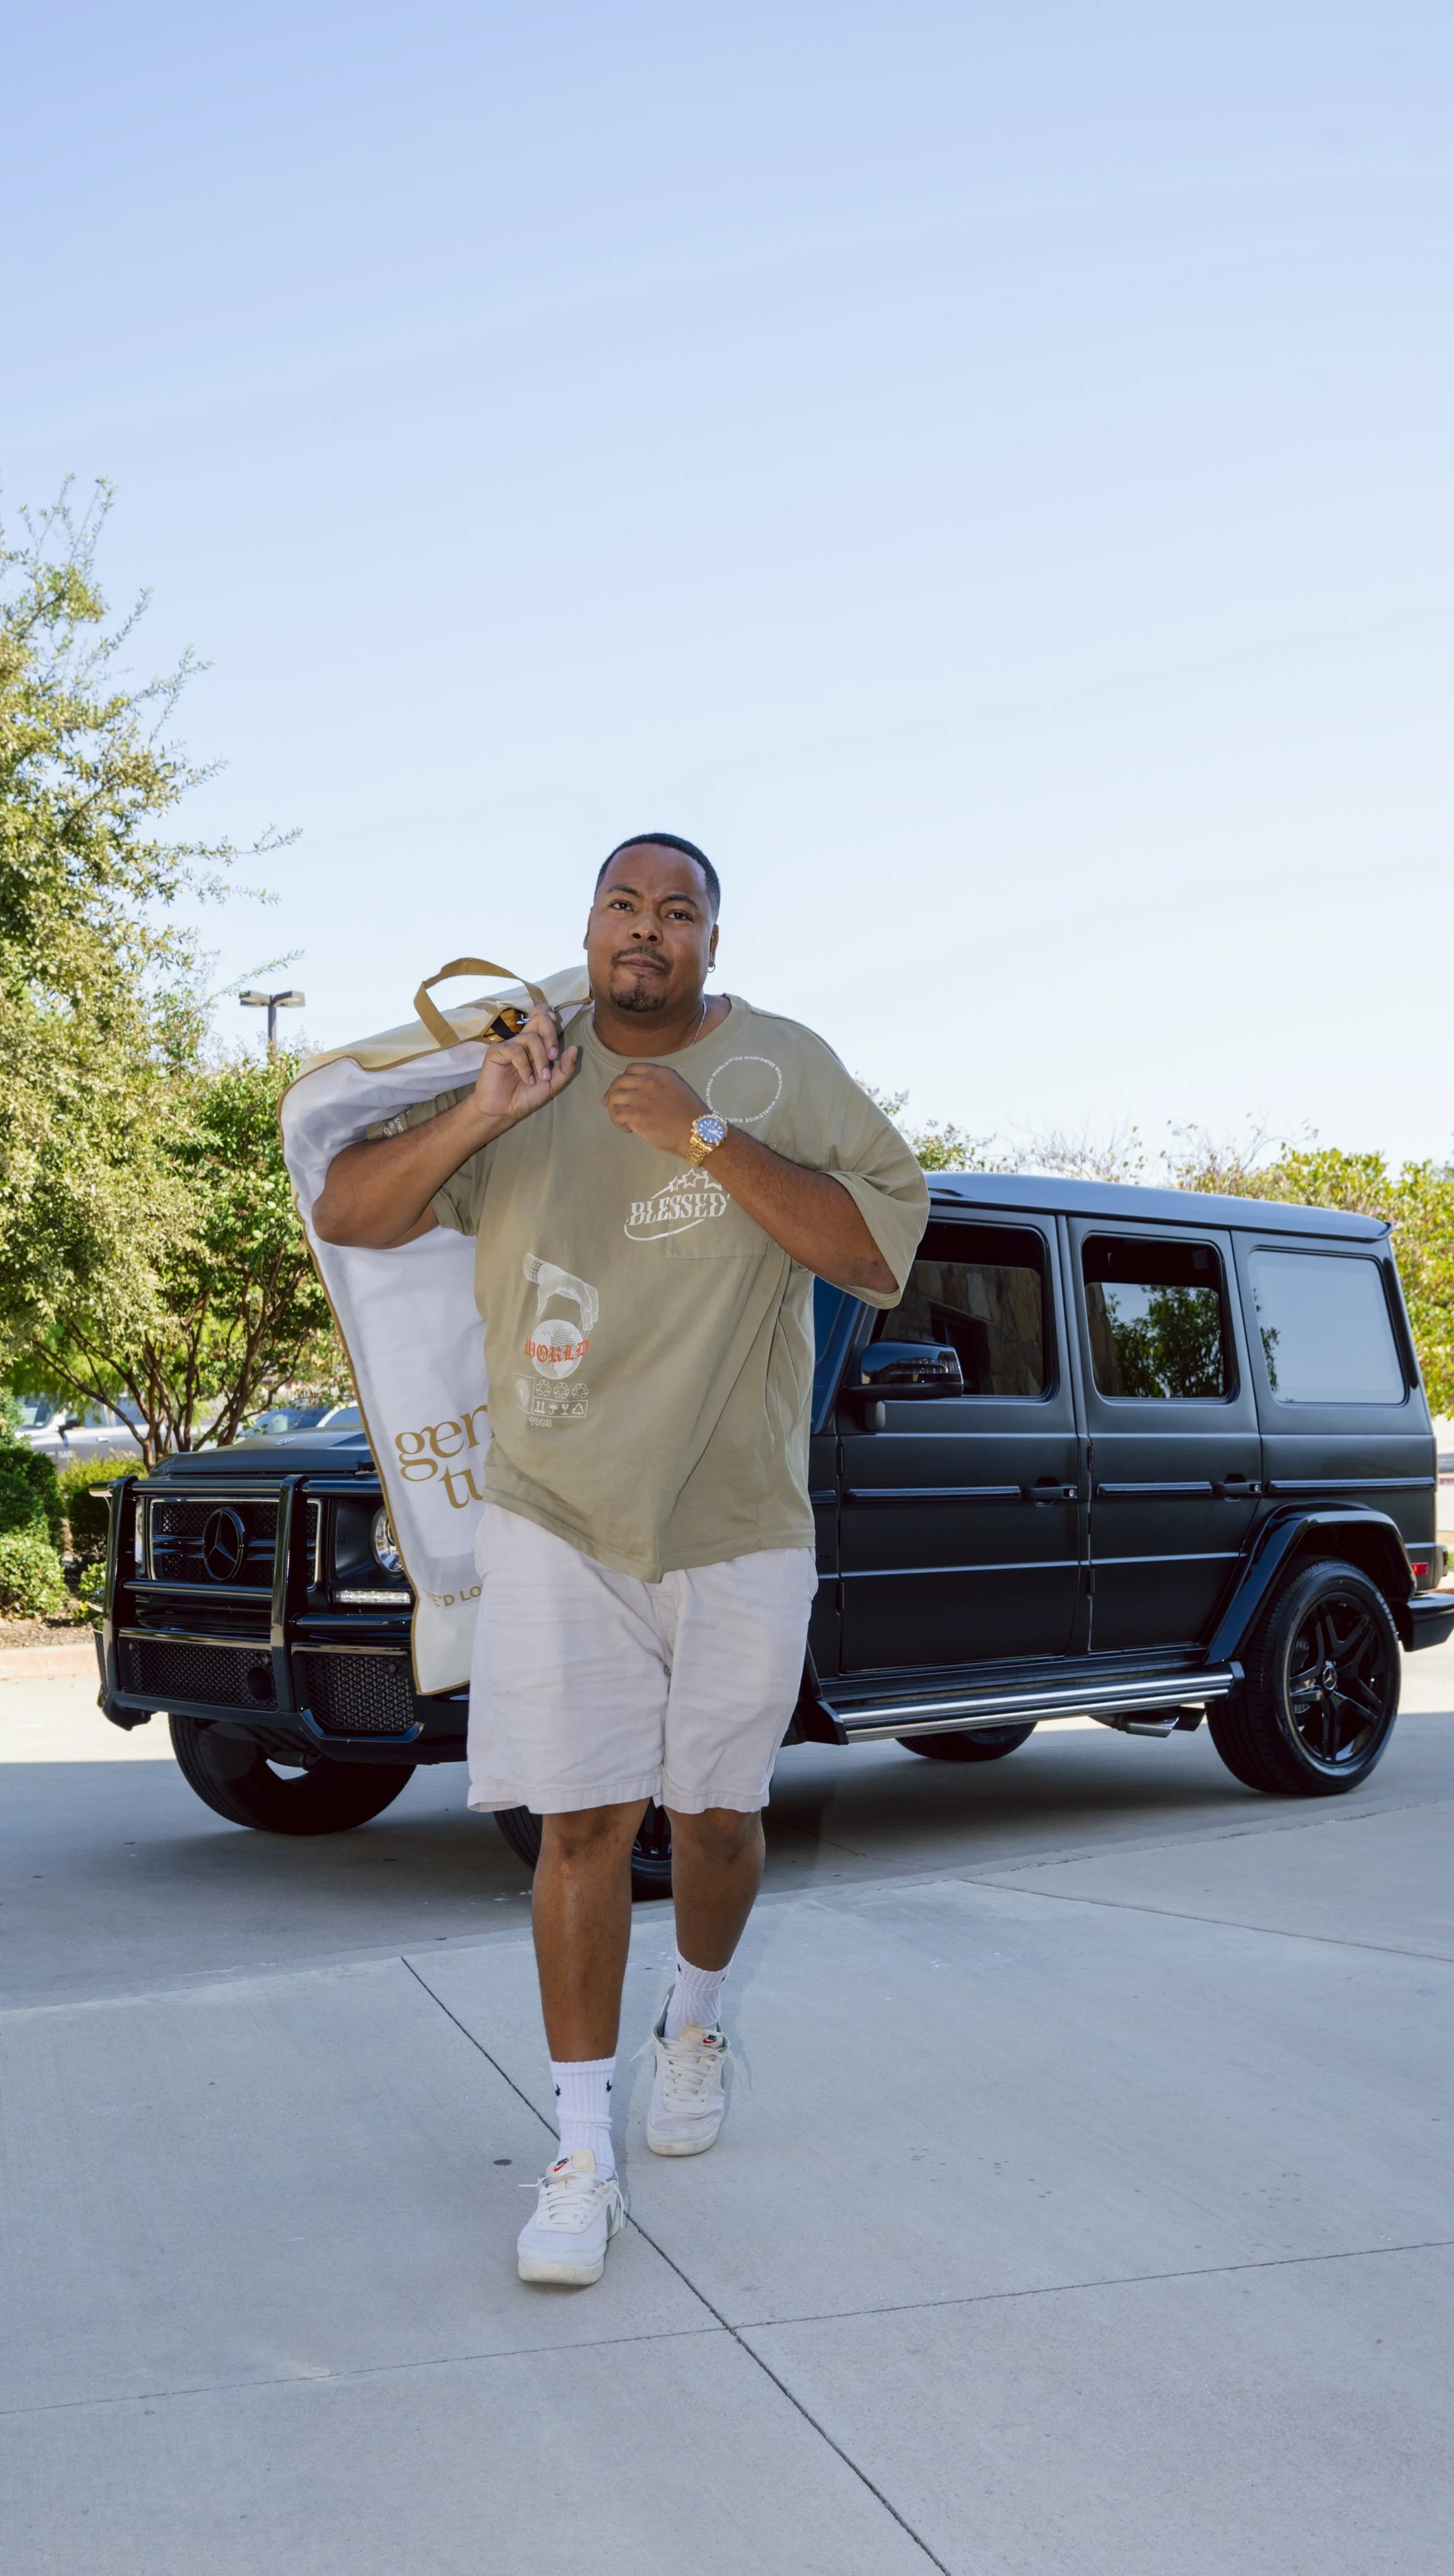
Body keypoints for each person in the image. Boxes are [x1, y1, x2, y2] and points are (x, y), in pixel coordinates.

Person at [313, 834, 928, 2284]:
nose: (642, 931)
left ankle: (695, 2019)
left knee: (712, 1821)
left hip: (734, 1518)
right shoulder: (522, 1064)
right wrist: (479, 1112)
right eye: (619, 906)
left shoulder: (783, 1064)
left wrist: (706, 1137)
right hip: (552, 1512)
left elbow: (876, 1251)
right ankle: (579, 2151)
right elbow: (348, 1212)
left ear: (712, 939)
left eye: (675, 911)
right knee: (580, 1825)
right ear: (585, 929)